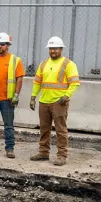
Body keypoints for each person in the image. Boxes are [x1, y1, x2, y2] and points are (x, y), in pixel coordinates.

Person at [30, 36, 80, 166]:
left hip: (59, 102)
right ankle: (43, 152)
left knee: (60, 129)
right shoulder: (43, 64)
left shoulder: (68, 64)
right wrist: (33, 97)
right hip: (44, 101)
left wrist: (66, 96)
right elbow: (37, 82)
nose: (53, 51)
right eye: (51, 49)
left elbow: (74, 83)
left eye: (55, 49)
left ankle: (62, 155)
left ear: (61, 49)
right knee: (44, 129)